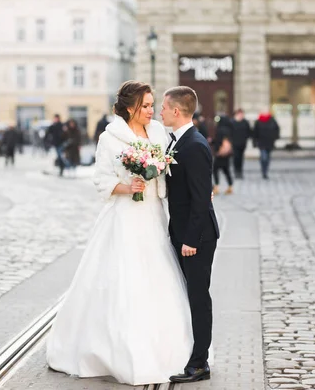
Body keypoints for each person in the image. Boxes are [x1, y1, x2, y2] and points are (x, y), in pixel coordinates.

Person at [46, 81, 193, 385]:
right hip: (124, 216)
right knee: (124, 278)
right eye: (146, 106)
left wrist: (197, 192)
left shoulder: (158, 133)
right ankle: (114, 349)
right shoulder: (109, 137)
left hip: (152, 214)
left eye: (154, 105)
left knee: (157, 276)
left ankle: (166, 347)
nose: (152, 111)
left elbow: (171, 171)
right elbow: (101, 179)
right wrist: (129, 187)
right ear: (130, 108)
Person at [161, 86, 219, 384]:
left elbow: (200, 198)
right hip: (183, 232)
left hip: (196, 238)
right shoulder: (179, 142)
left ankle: (200, 363)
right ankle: (192, 353)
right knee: (191, 295)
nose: (159, 111)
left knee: (198, 297)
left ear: (176, 110)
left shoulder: (194, 145)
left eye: (163, 107)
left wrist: (191, 240)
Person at [253, 111, 280, 180]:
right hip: (261, 143)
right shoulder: (258, 121)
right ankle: (263, 171)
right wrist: (255, 142)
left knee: (267, 158)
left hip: (270, 142)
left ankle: (265, 171)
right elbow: (255, 132)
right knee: (263, 157)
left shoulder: (272, 121)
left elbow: (277, 129)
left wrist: (275, 137)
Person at [212, 115, 234, 195]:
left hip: (220, 154)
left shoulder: (220, 129)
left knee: (215, 169)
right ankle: (230, 186)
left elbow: (218, 141)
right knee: (226, 170)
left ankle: (216, 187)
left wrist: (214, 144)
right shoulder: (229, 130)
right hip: (227, 154)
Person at [231, 109, 251, 179]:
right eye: (240, 114)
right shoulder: (232, 122)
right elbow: (229, 132)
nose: (241, 115)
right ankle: (236, 171)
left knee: (241, 158)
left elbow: (249, 132)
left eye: (242, 114)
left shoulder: (245, 122)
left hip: (242, 143)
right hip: (234, 143)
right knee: (236, 157)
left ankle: (240, 171)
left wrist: (246, 138)